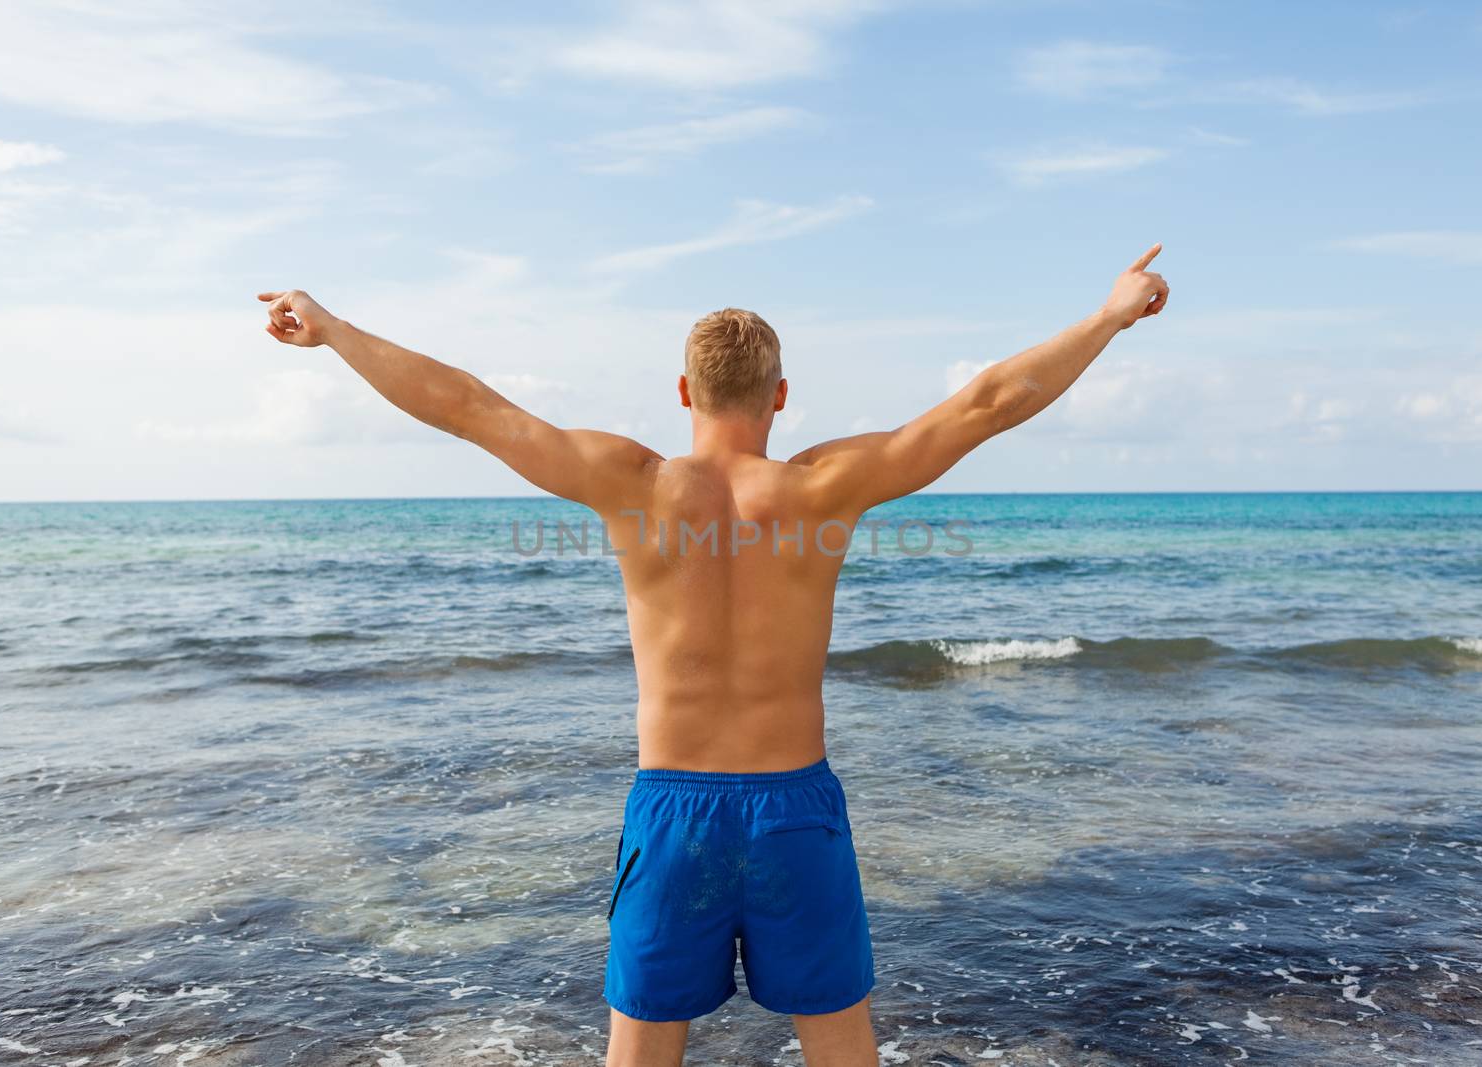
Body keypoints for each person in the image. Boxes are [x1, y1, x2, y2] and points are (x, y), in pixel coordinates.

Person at [257, 244, 1168, 1067]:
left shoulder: (633, 486)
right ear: (780, 396)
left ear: (684, 393)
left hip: (673, 811)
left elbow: (464, 406)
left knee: (643, 1055)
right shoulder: (824, 488)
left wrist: (333, 329)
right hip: (794, 808)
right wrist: (1108, 314)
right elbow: (989, 403)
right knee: (842, 1048)